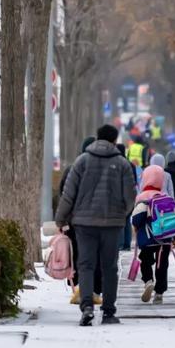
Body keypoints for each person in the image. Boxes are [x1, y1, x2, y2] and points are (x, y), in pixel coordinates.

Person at [56, 124, 136, 326]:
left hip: (84, 224)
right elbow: (130, 197)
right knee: (109, 267)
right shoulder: (122, 164)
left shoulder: (81, 161)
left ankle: (87, 306)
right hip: (112, 224)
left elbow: (68, 194)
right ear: (114, 141)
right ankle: (108, 312)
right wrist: (121, 215)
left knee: (86, 265)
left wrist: (61, 218)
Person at [59, 136, 102, 306]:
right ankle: (95, 290)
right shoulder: (102, 169)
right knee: (97, 256)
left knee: (77, 254)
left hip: (75, 222)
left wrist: (62, 220)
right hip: (98, 222)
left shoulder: (71, 169)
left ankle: (79, 287)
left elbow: (64, 196)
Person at [131, 165, 173, 304]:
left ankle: (148, 280)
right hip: (164, 239)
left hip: (148, 238)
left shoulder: (142, 197)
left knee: (146, 261)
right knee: (162, 265)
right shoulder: (165, 197)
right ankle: (159, 293)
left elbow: (136, 219)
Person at [116, 143, 136, 250]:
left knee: (120, 220)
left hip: (119, 195)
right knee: (127, 220)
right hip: (130, 195)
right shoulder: (131, 165)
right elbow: (135, 181)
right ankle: (127, 244)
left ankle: (120, 244)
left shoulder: (117, 164)